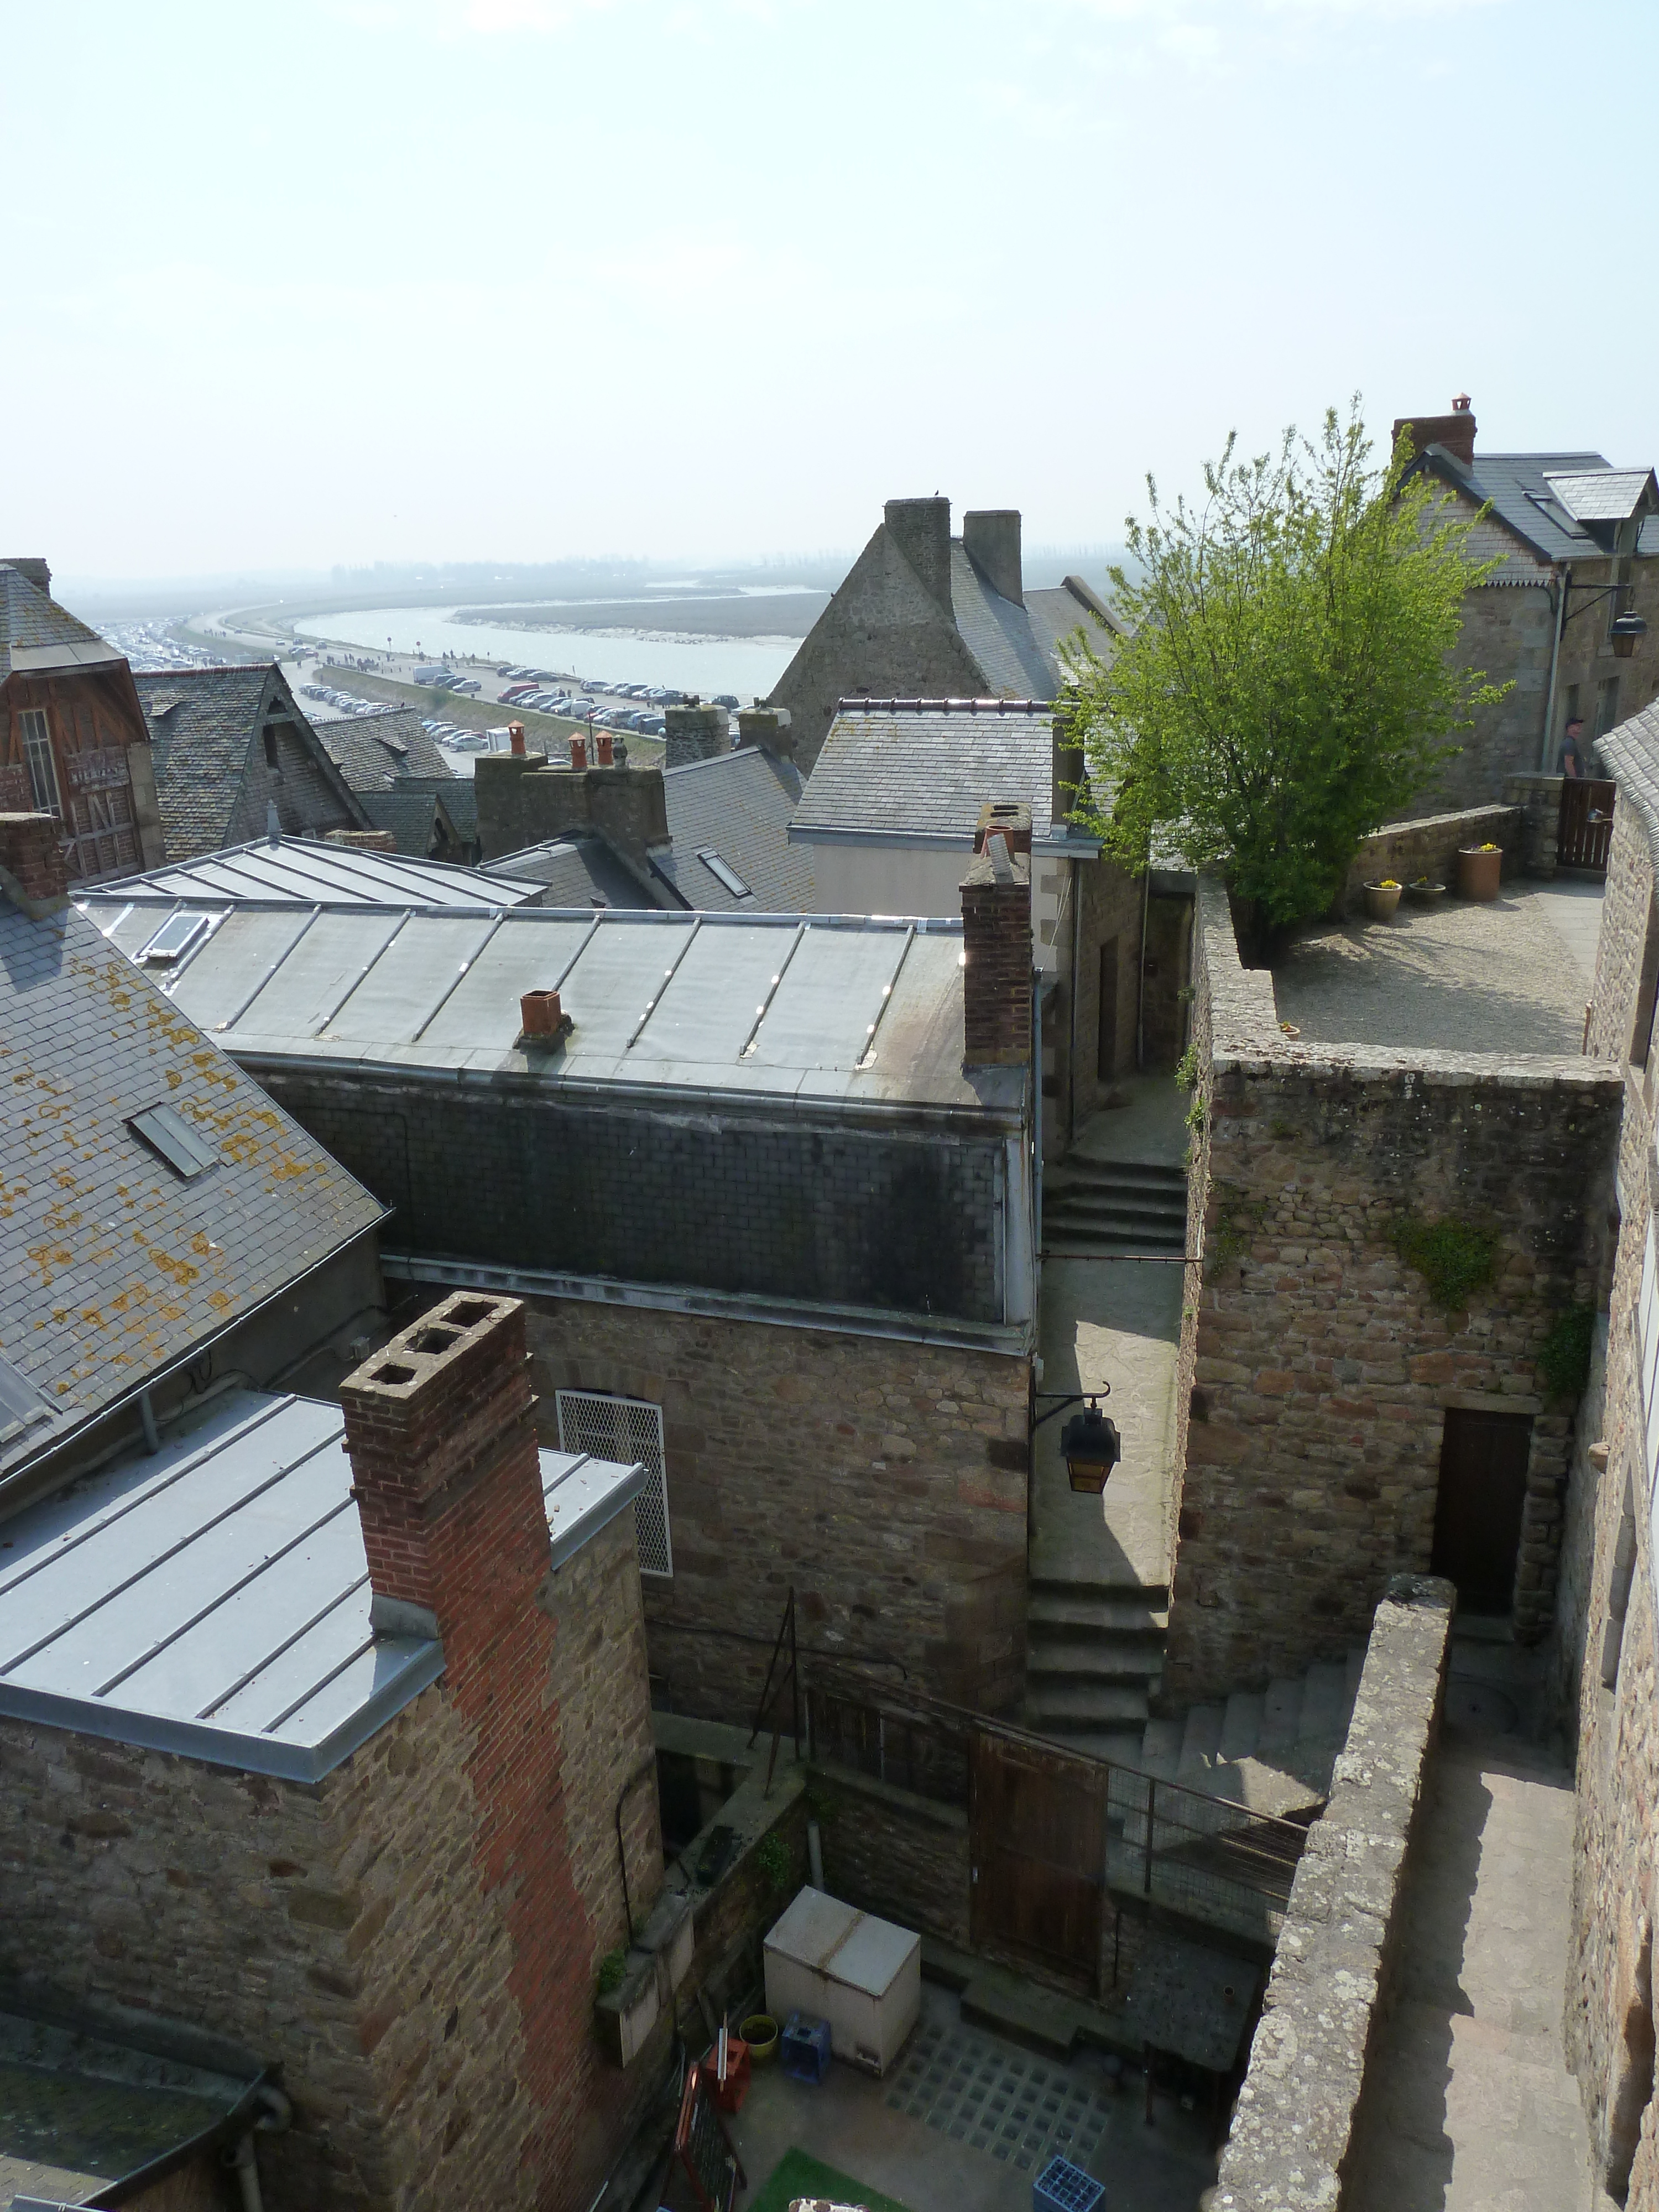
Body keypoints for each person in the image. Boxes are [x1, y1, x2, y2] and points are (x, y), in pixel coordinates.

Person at [1558, 714, 1588, 778]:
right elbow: (1568, 763)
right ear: (1570, 728)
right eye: (1577, 726)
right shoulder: (1569, 743)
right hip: (1569, 782)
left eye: (1580, 726)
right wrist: (1574, 780)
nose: (1579, 728)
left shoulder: (1573, 742)